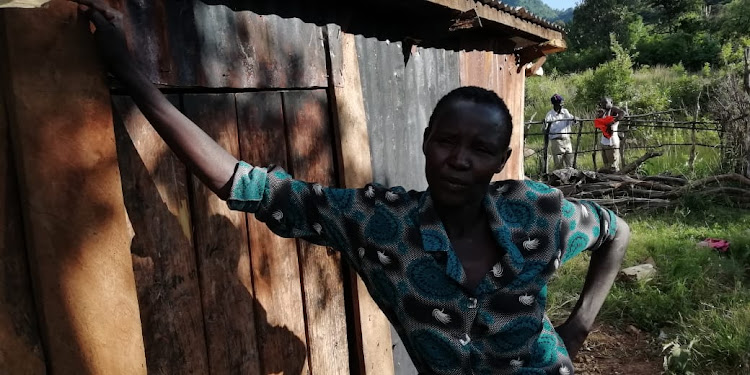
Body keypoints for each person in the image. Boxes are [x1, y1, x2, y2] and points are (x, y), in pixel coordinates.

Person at [71, 1, 631, 374]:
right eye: (447, 141)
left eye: (480, 149)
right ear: (426, 142)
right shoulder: (378, 224)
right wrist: (135, 79)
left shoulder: (541, 214)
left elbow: (617, 231)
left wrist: (579, 325)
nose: (459, 160)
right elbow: (243, 184)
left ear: (501, 160)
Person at [543, 94, 575, 170]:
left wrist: (574, 119)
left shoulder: (565, 112)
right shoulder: (550, 115)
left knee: (570, 161)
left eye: (562, 102)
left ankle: (571, 179)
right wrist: (544, 123)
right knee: (558, 163)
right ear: (555, 104)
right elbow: (545, 128)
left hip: (566, 140)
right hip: (556, 141)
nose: (562, 104)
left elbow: (572, 120)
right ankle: (560, 180)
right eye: (560, 103)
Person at [596, 98, 626, 172]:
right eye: (602, 103)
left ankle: (615, 180)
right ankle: (608, 179)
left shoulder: (613, 110)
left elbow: (622, 113)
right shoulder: (603, 112)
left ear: (611, 102)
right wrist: (599, 117)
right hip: (604, 142)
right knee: (606, 165)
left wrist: (614, 121)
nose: (603, 104)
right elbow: (599, 126)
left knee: (613, 166)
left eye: (605, 102)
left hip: (612, 142)